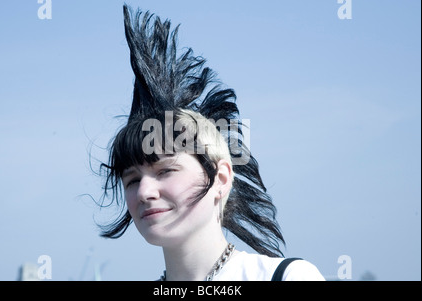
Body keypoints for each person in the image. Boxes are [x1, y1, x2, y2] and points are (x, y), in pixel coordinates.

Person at [97, 5, 325, 281]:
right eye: (132, 180)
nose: (144, 191)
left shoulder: (287, 276)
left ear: (221, 178)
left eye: (165, 171)